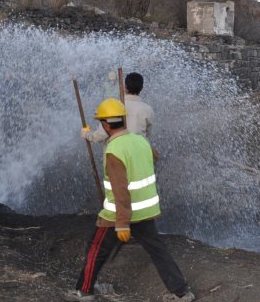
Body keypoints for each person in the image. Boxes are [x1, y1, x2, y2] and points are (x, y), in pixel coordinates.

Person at [63, 98, 195, 302]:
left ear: (106, 124)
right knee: (158, 250)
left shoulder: (114, 150)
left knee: (96, 249)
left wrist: (122, 223)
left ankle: (84, 291)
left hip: (117, 214)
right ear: (123, 119)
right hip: (145, 212)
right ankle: (182, 292)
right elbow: (155, 156)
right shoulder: (140, 141)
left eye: (101, 123)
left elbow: (120, 190)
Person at [82, 72, 155, 142]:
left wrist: (86, 133)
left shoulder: (114, 107)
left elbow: (99, 136)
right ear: (142, 88)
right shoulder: (148, 110)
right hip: (141, 152)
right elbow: (147, 135)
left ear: (124, 86)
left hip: (116, 153)